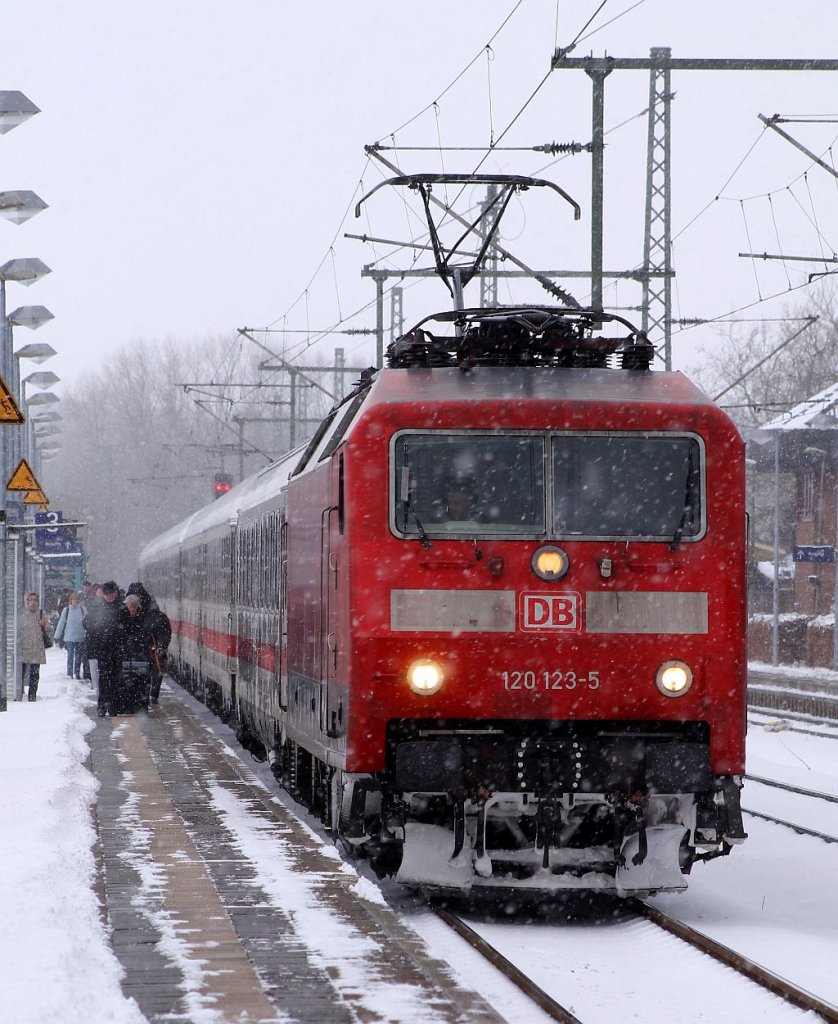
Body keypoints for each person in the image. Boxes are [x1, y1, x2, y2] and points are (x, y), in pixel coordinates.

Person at [126, 582, 171, 706]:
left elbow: (163, 630)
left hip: (150, 649)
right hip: (135, 650)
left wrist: (160, 645)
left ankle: (150, 696)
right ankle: (141, 699)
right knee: (138, 677)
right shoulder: (126, 612)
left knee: (152, 672)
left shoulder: (153, 613)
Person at [84, 580, 124, 716]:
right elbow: (86, 623)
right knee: (104, 677)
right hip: (103, 648)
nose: (110, 596)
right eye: (107, 594)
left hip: (117, 648)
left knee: (115, 678)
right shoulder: (98, 608)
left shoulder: (121, 608)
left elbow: (128, 628)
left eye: (112, 594)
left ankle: (112, 705)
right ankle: (102, 704)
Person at [19, 592, 48, 701]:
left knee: (35, 674)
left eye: (35, 600)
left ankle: (32, 695)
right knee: (21, 673)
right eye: (30, 600)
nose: (33, 602)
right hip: (24, 648)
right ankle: (19, 693)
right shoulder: (22, 614)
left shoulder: (41, 613)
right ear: (27, 601)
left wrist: (44, 625)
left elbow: (49, 630)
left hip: (37, 648)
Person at [53, 592, 88, 679]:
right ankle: (70, 673)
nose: (75, 601)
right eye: (73, 599)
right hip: (69, 637)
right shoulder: (67, 610)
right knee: (70, 655)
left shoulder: (83, 610)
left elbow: (87, 622)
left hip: (80, 637)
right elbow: (61, 622)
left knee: (78, 657)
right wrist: (57, 635)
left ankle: (77, 672)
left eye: (76, 599)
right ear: (70, 601)